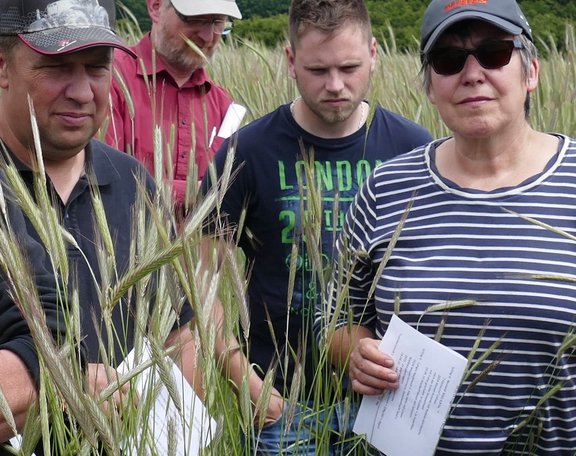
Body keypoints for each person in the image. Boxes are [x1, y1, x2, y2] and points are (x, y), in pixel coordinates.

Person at [321, 0, 576, 454]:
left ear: (531, 71)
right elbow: (337, 320)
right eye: (449, 59)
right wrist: (355, 354)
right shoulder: (385, 189)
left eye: (494, 52)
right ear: (430, 88)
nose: (473, 73)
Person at [201, 0, 431, 453]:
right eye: (317, 70)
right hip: (283, 405)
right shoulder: (245, 152)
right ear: (290, 60)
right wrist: (250, 388)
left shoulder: (414, 148)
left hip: (389, 405)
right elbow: (201, 283)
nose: (336, 86)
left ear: (374, 53)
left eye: (349, 67)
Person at [0, 0, 199, 436]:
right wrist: (63, 385)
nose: (82, 91)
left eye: (96, 67)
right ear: (3, 66)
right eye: (56, 67)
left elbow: (178, 336)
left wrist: (184, 433)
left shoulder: (134, 185)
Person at [105, 0, 242, 212]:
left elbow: (232, 197)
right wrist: (198, 193)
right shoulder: (107, 79)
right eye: (195, 19)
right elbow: (105, 180)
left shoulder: (226, 106)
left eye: (217, 22)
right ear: (155, 7)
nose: (207, 37)